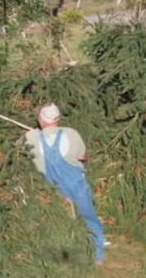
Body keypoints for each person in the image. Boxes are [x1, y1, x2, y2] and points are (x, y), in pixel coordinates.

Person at [24, 103, 107, 265]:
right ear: (58, 119)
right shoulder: (71, 134)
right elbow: (82, 156)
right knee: (89, 217)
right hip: (77, 186)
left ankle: (58, 258)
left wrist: (29, 135)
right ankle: (99, 255)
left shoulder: (31, 138)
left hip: (52, 189)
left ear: (40, 119)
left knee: (57, 221)